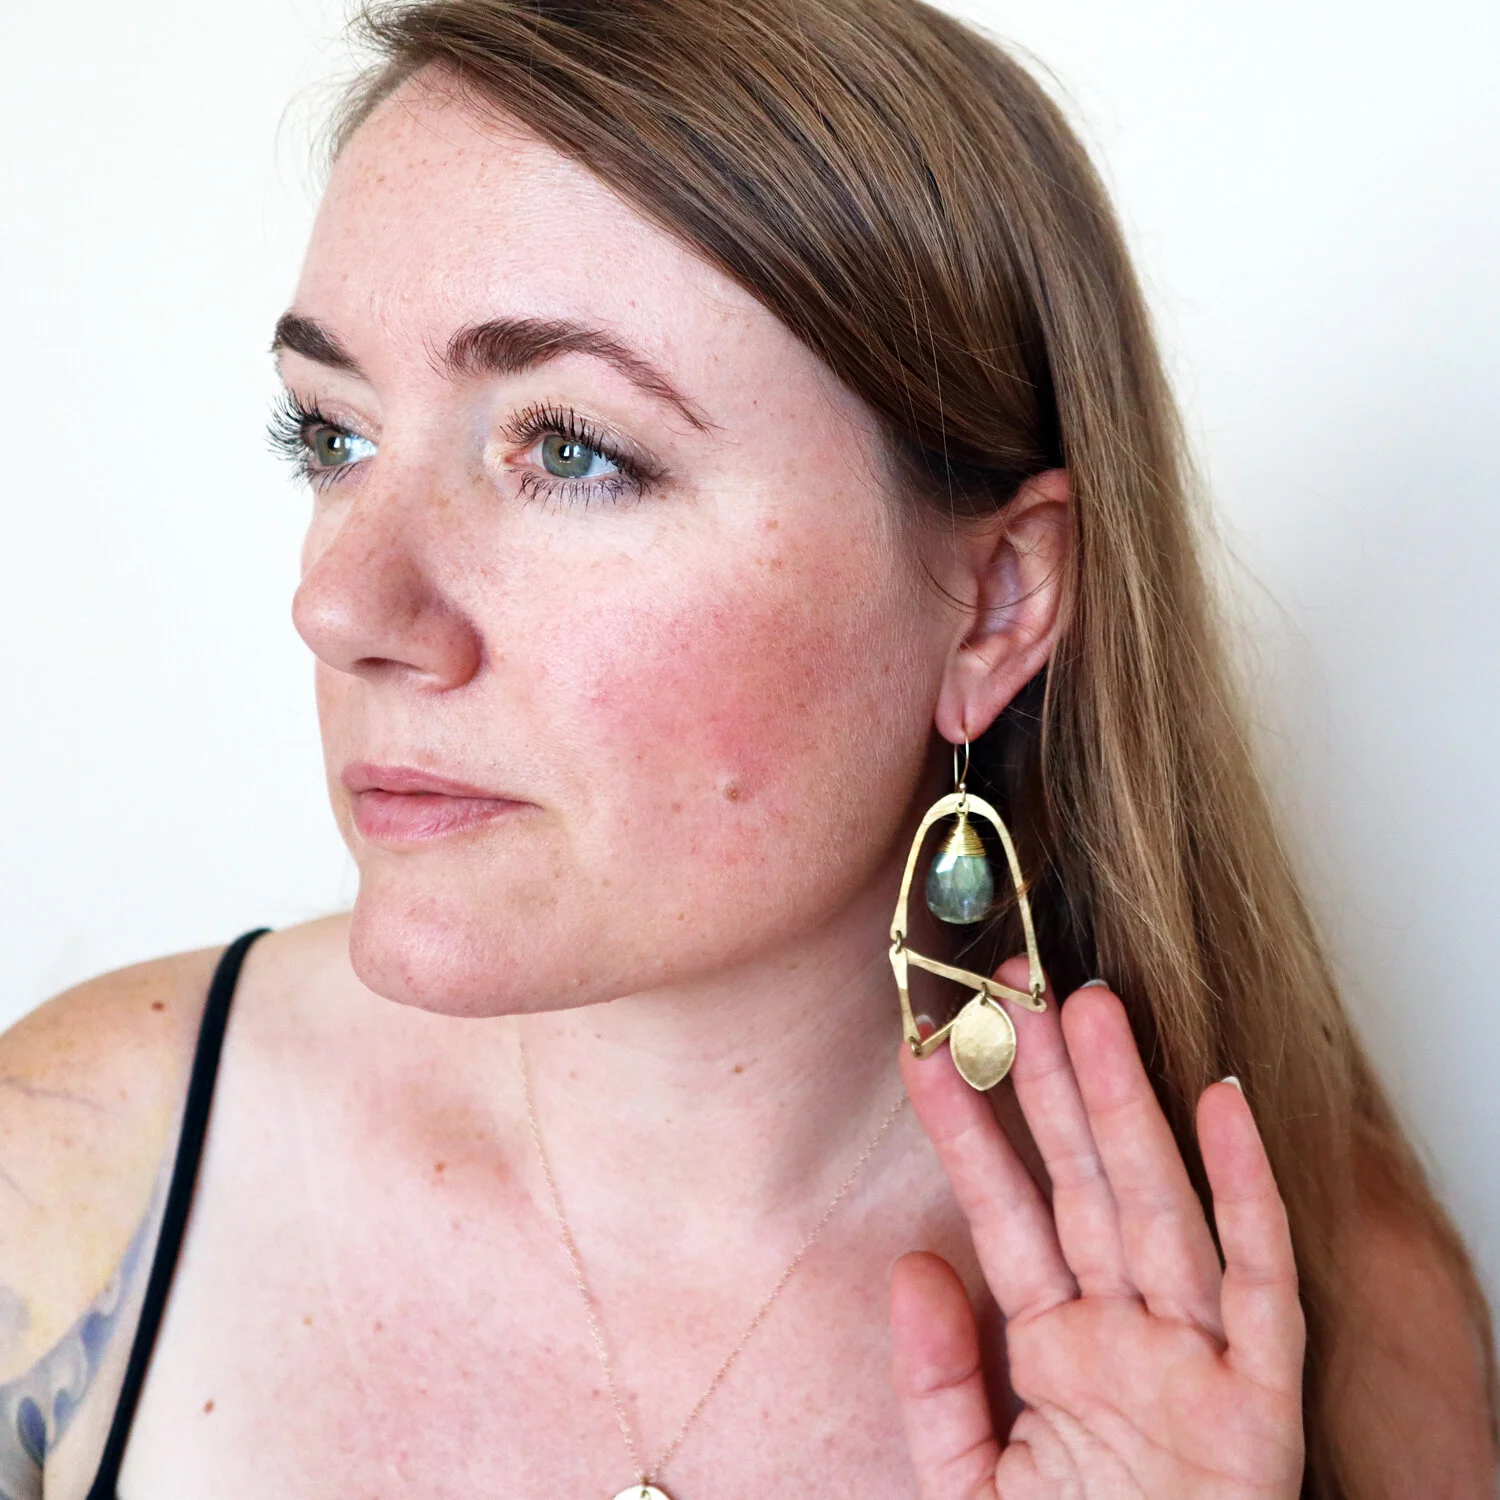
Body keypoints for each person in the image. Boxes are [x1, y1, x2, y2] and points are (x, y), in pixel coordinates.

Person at [1, 0, 1494, 1495]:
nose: (339, 607)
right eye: (333, 436)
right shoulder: (66, 1172)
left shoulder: (1314, 1329)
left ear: (995, 601)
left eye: (571, 450)